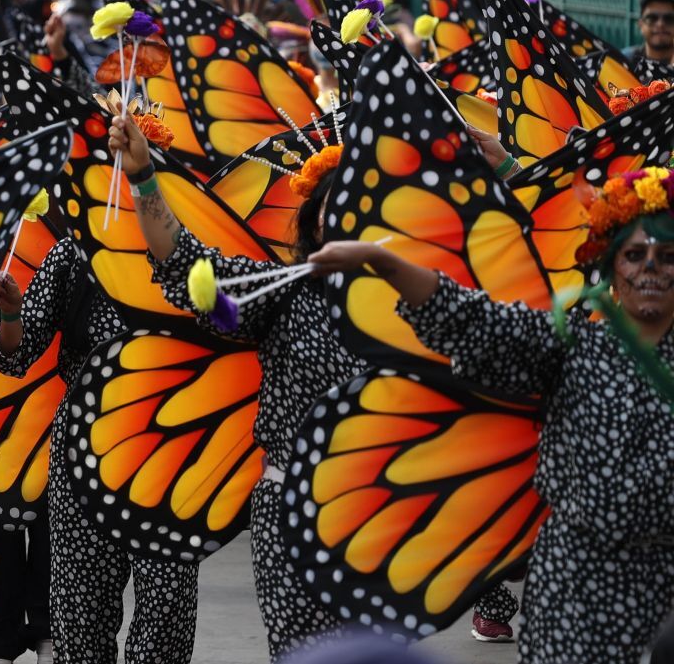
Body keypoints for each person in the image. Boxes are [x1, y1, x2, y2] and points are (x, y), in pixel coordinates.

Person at [113, 112, 520, 654]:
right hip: (290, 517)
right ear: (316, 221)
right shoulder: (282, 291)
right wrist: (142, 178)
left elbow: (519, 272)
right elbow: (184, 263)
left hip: (389, 515)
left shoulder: (425, 306)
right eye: (339, 201)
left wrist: (508, 174)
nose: (351, 214)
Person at [307, 166, 674, 663]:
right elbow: (468, 316)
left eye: (667, 257)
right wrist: (381, 260)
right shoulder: (569, 346)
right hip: (576, 594)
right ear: (612, 265)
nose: (650, 268)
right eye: (634, 255)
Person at [0, 233, 196, 663]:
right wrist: (10, 311)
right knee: (81, 607)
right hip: (85, 444)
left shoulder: (188, 250)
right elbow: (15, 355)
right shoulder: (71, 252)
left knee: (168, 599)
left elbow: (231, 323)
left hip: (165, 444)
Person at [626, 0, 674, 72]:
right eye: (652, 18)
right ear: (641, 24)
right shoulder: (625, 64)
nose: (660, 24)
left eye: (669, 19)